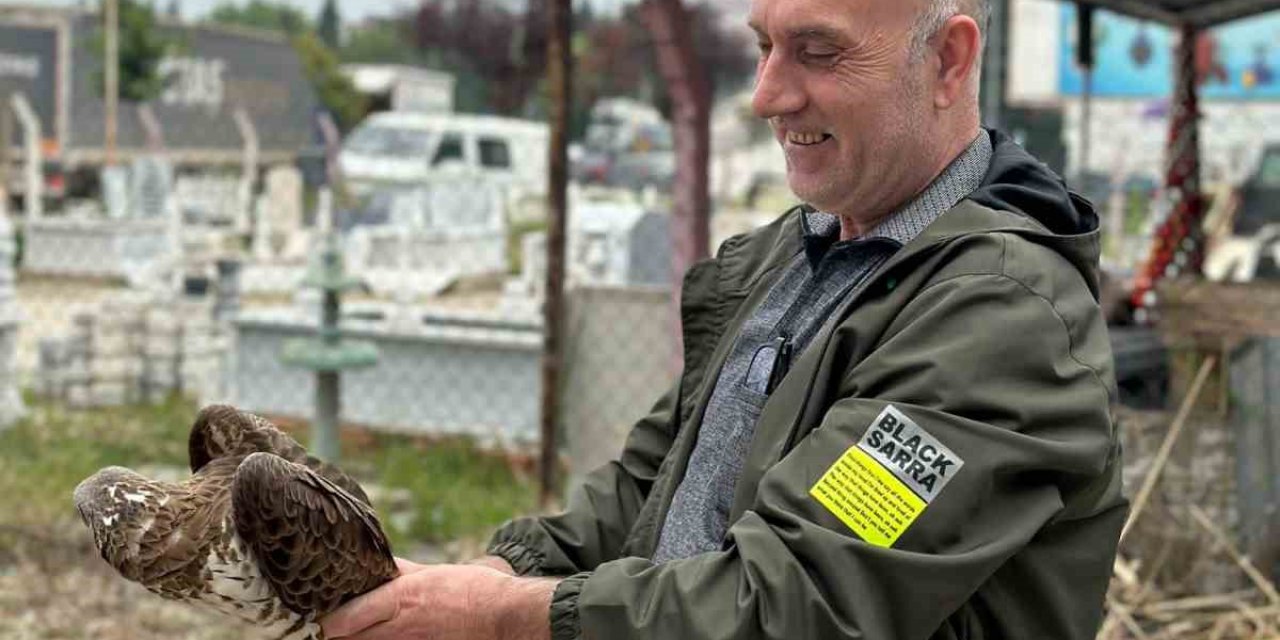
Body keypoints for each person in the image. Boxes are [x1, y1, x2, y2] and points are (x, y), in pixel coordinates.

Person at [321, 0, 1126, 637]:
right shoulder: (793, 256)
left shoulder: (1000, 320)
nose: (768, 95)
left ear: (947, 60)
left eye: (817, 51)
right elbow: (653, 484)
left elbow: (798, 605)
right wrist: (502, 572)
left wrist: (508, 621)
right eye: (763, 47)